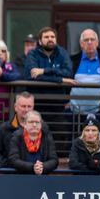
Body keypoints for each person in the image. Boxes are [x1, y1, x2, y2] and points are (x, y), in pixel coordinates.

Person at [24, 27, 75, 156]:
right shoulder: (33, 54)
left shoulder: (62, 53)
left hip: (58, 106)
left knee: (60, 135)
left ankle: (56, 164)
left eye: (52, 37)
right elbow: (32, 75)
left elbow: (69, 72)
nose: (50, 39)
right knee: (37, 135)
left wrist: (44, 71)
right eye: (46, 37)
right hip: (39, 104)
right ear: (40, 41)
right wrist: (61, 79)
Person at [0, 92, 48, 166]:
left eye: (29, 106)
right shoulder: (4, 128)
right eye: (23, 106)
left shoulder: (43, 127)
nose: (26, 110)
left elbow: (50, 155)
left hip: (37, 173)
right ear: (15, 107)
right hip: (11, 172)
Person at [8, 110, 58, 175]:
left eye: (37, 122)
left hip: (43, 177)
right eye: (31, 122)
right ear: (24, 124)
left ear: (41, 124)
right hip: (21, 176)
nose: (34, 125)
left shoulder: (47, 137)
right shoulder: (17, 137)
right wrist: (32, 167)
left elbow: (54, 160)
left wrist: (43, 167)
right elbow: (13, 160)